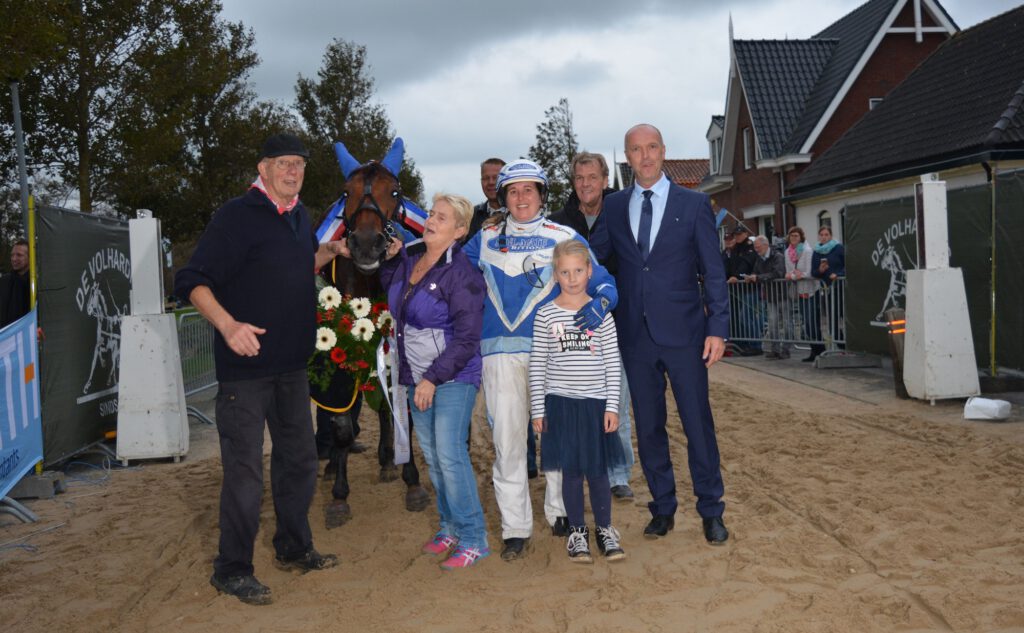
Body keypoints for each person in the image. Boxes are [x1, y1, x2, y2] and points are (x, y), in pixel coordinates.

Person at [174, 133, 341, 606]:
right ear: (262, 168)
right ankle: (231, 569)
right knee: (245, 473)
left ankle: (293, 547)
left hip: (291, 368)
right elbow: (191, 280)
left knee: (299, 462)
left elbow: (296, 266)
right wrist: (228, 326)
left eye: (300, 164)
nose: (293, 172)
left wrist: (329, 252)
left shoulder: (299, 216)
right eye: (284, 163)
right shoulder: (236, 216)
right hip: (244, 373)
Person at [463, 159, 618, 561]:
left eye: (528, 189)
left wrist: (601, 303)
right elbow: (451, 276)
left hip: (555, 352)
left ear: (542, 194)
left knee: (558, 436)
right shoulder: (484, 238)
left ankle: (561, 510)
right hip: (499, 354)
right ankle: (515, 528)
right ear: (502, 197)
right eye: (513, 191)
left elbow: (603, 281)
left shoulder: (562, 235)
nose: (521, 198)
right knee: (508, 440)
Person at [589, 123, 729, 545]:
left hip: (686, 335)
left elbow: (714, 272)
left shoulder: (695, 203)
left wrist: (718, 329)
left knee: (697, 423)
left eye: (652, 147)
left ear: (663, 151)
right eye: (636, 149)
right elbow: (593, 259)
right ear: (627, 157)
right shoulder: (614, 207)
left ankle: (711, 510)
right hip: (635, 336)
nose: (645, 156)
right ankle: (663, 508)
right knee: (649, 427)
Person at [376, 192, 489, 569]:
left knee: (450, 455)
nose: (431, 221)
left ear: (459, 231)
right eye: (431, 214)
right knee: (434, 458)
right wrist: (391, 261)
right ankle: (450, 527)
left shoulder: (463, 274)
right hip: (416, 375)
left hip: (453, 376)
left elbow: (467, 338)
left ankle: (473, 537)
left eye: (442, 217)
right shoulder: (411, 257)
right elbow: (395, 297)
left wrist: (432, 379)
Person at [529, 239, 627, 564]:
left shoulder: (601, 316)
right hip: (560, 404)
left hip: (595, 404)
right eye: (565, 272)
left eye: (578, 271)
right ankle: (577, 533)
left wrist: (612, 406)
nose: (572, 278)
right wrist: (538, 409)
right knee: (570, 472)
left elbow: (612, 364)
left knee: (598, 472)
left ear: (589, 272)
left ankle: (605, 529)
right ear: (555, 274)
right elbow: (538, 364)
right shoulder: (546, 315)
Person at [549, 151, 635, 501]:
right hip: (571, 327)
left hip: (616, 320)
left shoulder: (623, 213)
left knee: (616, 399)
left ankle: (618, 473)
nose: (586, 184)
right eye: (579, 178)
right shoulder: (558, 223)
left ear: (604, 180)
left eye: (592, 177)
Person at [808, 225, 846, 361]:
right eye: (822, 235)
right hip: (826, 289)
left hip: (840, 287)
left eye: (826, 235)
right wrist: (820, 270)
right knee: (831, 319)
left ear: (831, 236)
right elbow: (813, 272)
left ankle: (846, 346)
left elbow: (847, 264)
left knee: (842, 317)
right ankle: (841, 346)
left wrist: (838, 274)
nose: (824, 237)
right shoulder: (816, 252)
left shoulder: (838, 248)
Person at [747, 235, 787, 358]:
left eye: (758, 247)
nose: (756, 250)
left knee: (787, 323)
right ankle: (775, 350)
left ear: (766, 245)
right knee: (772, 323)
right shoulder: (759, 258)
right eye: (755, 247)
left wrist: (758, 277)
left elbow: (778, 273)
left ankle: (785, 350)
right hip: (770, 294)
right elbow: (756, 271)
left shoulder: (778, 256)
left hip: (783, 293)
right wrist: (751, 277)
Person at [783, 227, 816, 359]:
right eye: (791, 236)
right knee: (805, 323)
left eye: (796, 236)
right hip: (798, 291)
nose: (794, 238)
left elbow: (809, 272)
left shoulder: (807, 251)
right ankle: (814, 351)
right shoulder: (787, 252)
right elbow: (788, 272)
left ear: (801, 237)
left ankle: (818, 350)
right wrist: (794, 275)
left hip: (810, 290)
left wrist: (795, 275)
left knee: (811, 322)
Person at [467, 158, 506, 240]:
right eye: (486, 178)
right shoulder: (471, 216)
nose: (491, 182)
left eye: (496, 178)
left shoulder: (520, 214)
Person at [0, 239, 30, 328]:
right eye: (12, 255)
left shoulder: (37, 283)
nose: (14, 259)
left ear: (30, 257)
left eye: (19, 255)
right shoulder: (4, 281)